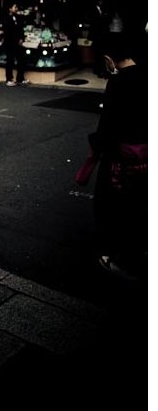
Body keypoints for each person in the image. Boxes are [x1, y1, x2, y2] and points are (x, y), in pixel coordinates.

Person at [76, 33, 147, 280]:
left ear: (109, 59)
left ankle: (119, 260)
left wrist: (96, 148)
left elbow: (108, 126)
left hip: (120, 157)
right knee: (140, 206)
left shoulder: (117, 83)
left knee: (112, 207)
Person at [2, 3, 28, 86]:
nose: (16, 9)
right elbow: (8, 32)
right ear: (10, 9)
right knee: (10, 61)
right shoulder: (6, 19)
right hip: (10, 43)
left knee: (21, 59)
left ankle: (20, 78)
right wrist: (17, 39)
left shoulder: (18, 18)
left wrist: (21, 38)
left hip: (18, 43)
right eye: (15, 7)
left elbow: (21, 30)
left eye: (17, 7)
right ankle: (9, 79)